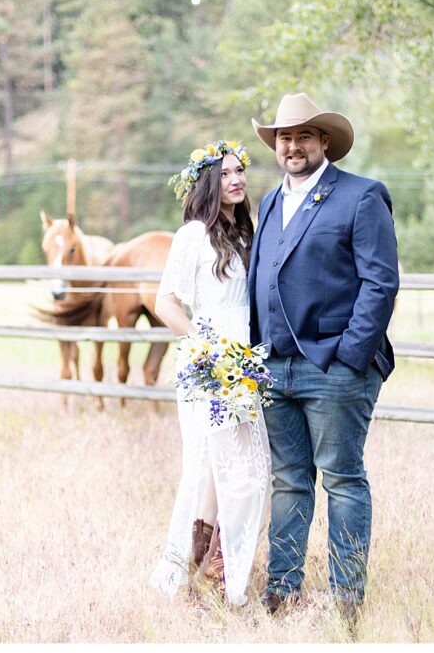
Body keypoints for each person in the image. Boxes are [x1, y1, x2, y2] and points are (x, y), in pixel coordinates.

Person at [247, 93, 399, 620]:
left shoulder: (361, 197)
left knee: (341, 478)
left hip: (334, 368)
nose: (293, 146)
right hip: (274, 367)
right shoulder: (268, 202)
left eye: (303, 136)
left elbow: (380, 283)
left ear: (324, 143)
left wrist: (351, 358)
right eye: (284, 138)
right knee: (288, 479)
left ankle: (346, 601)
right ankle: (283, 592)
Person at [148, 140, 272, 606]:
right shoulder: (192, 237)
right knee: (215, 464)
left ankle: (210, 569)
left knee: (248, 468)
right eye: (224, 173)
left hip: (245, 362)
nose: (236, 179)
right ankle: (207, 573)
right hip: (209, 363)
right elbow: (166, 304)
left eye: (240, 171)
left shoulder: (247, 235)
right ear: (207, 182)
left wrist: (243, 360)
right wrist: (212, 353)